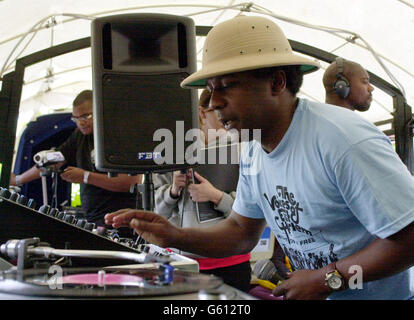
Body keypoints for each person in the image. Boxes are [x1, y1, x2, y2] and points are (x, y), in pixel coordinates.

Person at [105, 15, 414, 300]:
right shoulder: (254, 146)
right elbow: (241, 232)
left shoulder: (342, 139)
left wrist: (327, 279)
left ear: (277, 82)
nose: (214, 102)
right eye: (211, 90)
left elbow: (410, 237)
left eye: (226, 86)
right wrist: (174, 235)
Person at [152, 89, 251, 292]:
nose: (226, 116)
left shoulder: (246, 149)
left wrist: (216, 196)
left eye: (233, 109)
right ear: (202, 113)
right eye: (219, 109)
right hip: (181, 260)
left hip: (231, 259)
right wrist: (172, 192)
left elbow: (255, 210)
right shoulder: (170, 149)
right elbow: (154, 213)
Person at [11, 90, 142, 228]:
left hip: (122, 222)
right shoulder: (79, 135)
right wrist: (18, 180)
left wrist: (85, 177)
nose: (81, 123)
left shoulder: (121, 135)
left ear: (100, 109)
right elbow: (55, 159)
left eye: (86, 116)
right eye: (76, 118)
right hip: (94, 219)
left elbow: (131, 182)